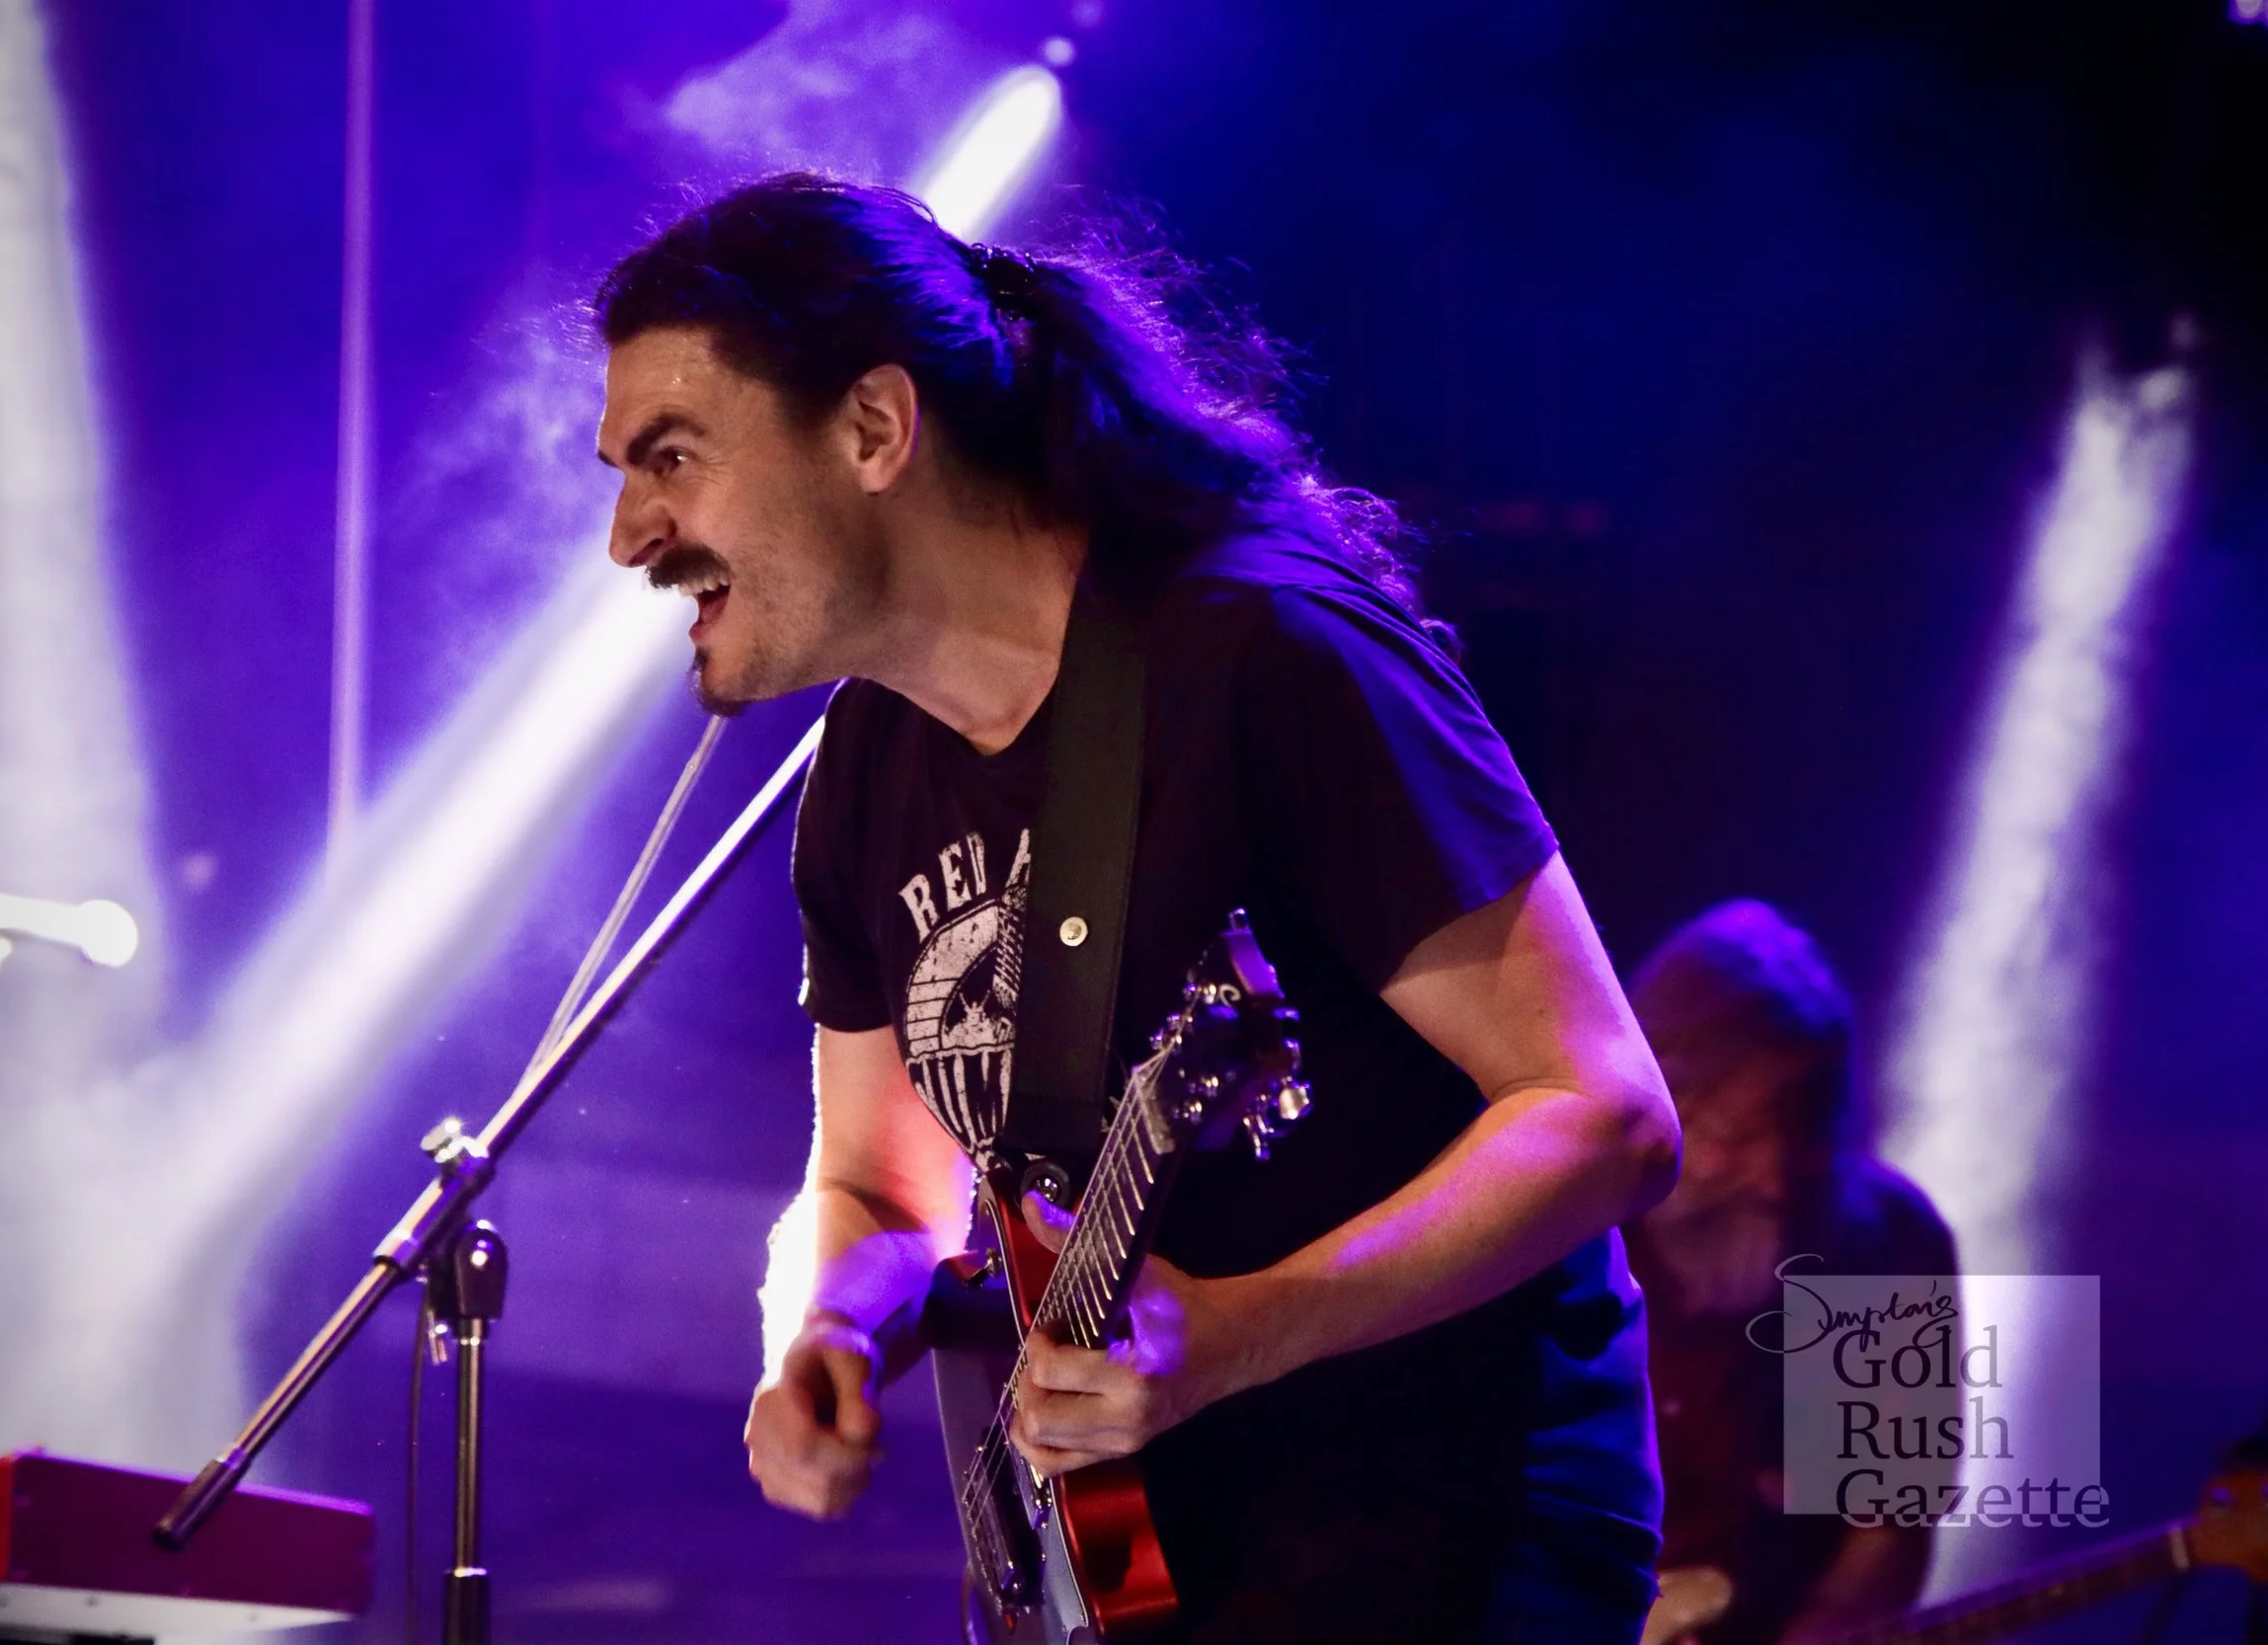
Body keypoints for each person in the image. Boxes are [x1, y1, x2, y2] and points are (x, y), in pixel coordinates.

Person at [588, 174, 1681, 1642]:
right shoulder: (865, 762)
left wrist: (1241, 1329)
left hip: (1447, 1524)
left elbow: (1602, 1109)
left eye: (671, 456)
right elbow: (876, 1184)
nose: (628, 535)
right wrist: (824, 1326)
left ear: (871, 428)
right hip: (1144, 1557)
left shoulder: (1271, 655)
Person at [1624, 901, 1957, 1645]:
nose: (1775, 1180)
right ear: (1658, 1093)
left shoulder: (1883, 1248)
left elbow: (1888, 1531)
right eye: (1740, 1134)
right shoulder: (1559, 1228)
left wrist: (1825, 1624)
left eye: (1803, 1135)